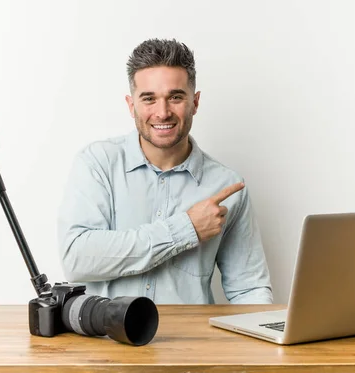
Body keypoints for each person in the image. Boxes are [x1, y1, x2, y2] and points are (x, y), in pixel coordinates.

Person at [57, 38, 273, 304]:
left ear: (195, 102)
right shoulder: (98, 163)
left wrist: (267, 336)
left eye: (175, 97)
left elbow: (249, 289)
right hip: (106, 341)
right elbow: (77, 259)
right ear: (131, 105)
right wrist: (185, 229)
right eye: (149, 98)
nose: (162, 112)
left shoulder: (227, 185)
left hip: (192, 343)